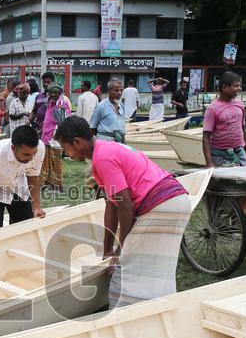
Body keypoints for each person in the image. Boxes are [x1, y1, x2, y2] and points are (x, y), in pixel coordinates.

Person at [56, 116, 192, 308]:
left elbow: (125, 205)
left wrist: (120, 249)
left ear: (78, 142)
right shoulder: (105, 150)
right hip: (174, 200)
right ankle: (157, 307)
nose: (67, 154)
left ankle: (124, 312)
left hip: (162, 205)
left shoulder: (102, 159)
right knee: (156, 265)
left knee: (126, 265)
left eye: (66, 148)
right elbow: (111, 205)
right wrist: (107, 250)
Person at [202, 71, 246, 167]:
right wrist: (209, 163)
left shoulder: (240, 104)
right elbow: (206, 137)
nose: (239, 89)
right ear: (224, 88)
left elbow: (243, 130)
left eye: (239, 86)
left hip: (239, 151)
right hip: (220, 155)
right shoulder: (212, 109)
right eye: (236, 86)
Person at [40, 83, 71, 189]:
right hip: (46, 135)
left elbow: (63, 120)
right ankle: (47, 183)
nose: (53, 94)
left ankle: (57, 184)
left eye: (55, 92)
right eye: (51, 92)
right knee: (46, 160)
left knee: (56, 161)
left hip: (55, 136)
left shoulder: (61, 102)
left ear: (59, 93)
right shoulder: (50, 102)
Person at [89, 79, 127, 143]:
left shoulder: (121, 105)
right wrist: (104, 138)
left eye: (121, 90)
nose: (119, 93)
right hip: (105, 142)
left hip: (119, 142)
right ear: (109, 90)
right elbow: (92, 128)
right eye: (116, 90)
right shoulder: (101, 106)